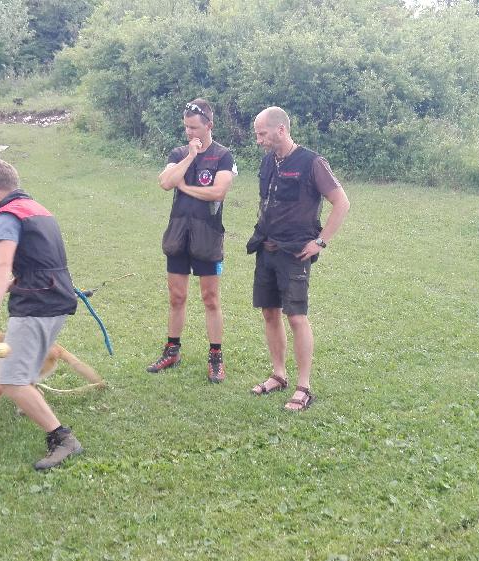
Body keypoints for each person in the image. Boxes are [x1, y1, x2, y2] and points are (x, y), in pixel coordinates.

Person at [0, 159, 82, 470]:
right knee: (2, 366)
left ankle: (63, 439)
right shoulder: (37, 209)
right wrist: (6, 286)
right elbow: (39, 262)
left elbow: (2, 263)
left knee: (11, 379)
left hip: (37, 306)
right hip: (54, 298)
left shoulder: (8, 214)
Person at [246, 106, 350, 411]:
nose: (258, 140)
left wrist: (321, 241)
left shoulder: (312, 162)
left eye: (262, 134)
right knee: (270, 312)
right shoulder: (269, 161)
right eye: (257, 134)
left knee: (296, 317)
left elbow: (341, 202)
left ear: (281, 129)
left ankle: (304, 387)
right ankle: (279, 375)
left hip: (295, 252)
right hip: (266, 247)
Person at [148, 98, 237, 383]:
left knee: (210, 299)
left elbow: (218, 192)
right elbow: (165, 182)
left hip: (208, 237)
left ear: (209, 125)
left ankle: (216, 357)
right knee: (177, 297)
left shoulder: (223, 156)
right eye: (186, 127)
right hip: (178, 235)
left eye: (195, 127)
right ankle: (172, 350)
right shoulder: (178, 153)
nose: (189, 132)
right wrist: (189, 157)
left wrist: (185, 187)